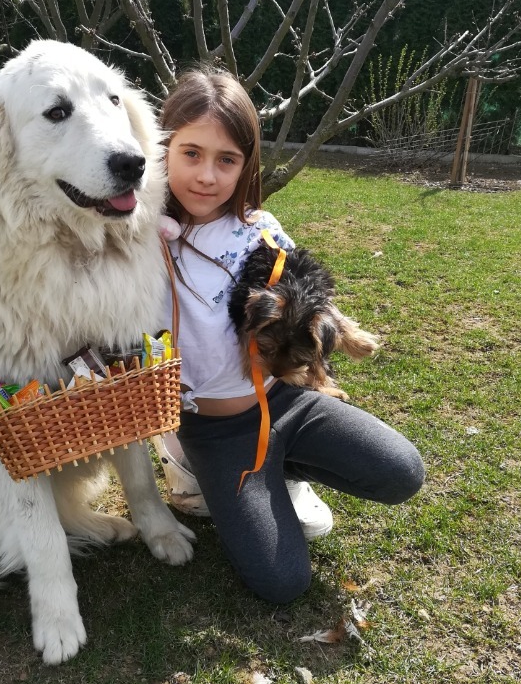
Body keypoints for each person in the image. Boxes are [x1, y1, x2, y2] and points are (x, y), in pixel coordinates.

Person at [155, 68, 425, 604]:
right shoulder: (134, 240)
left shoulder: (259, 228)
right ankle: (190, 466)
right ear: (162, 149)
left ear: (246, 165)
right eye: (191, 153)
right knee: (282, 582)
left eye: (227, 159)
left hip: (286, 402)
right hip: (214, 430)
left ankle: (285, 471)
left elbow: (306, 298)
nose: (206, 175)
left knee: (401, 471)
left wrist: (340, 335)